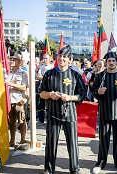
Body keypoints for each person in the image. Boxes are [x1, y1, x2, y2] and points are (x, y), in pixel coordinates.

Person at [40, 46, 87, 174]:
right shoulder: (49, 74)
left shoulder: (75, 75)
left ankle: (75, 169)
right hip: (52, 114)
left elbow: (82, 94)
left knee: (72, 143)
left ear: (70, 60)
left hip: (70, 114)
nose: (61, 59)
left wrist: (70, 97)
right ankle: (49, 169)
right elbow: (41, 93)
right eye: (60, 56)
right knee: (51, 142)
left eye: (64, 57)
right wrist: (50, 95)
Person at [91, 52, 117, 174]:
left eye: (113, 61)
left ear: (116, 62)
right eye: (109, 61)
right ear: (106, 62)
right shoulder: (100, 76)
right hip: (104, 113)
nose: (111, 63)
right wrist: (98, 92)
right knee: (103, 139)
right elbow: (93, 91)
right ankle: (100, 163)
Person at [7, 54, 29, 147]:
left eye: (15, 59)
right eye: (11, 59)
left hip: (20, 100)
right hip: (10, 100)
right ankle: (12, 140)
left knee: (22, 121)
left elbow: (24, 87)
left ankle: (23, 139)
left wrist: (11, 84)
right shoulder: (8, 73)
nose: (12, 61)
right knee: (12, 122)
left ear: (19, 62)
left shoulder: (24, 73)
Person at [37, 53, 54, 123]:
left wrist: (43, 77)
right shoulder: (41, 67)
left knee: (50, 104)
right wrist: (45, 77)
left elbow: (51, 78)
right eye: (44, 58)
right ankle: (41, 118)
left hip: (50, 87)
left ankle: (49, 118)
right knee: (41, 103)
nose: (45, 60)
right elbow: (38, 76)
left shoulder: (52, 67)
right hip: (42, 87)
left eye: (46, 58)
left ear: (50, 59)